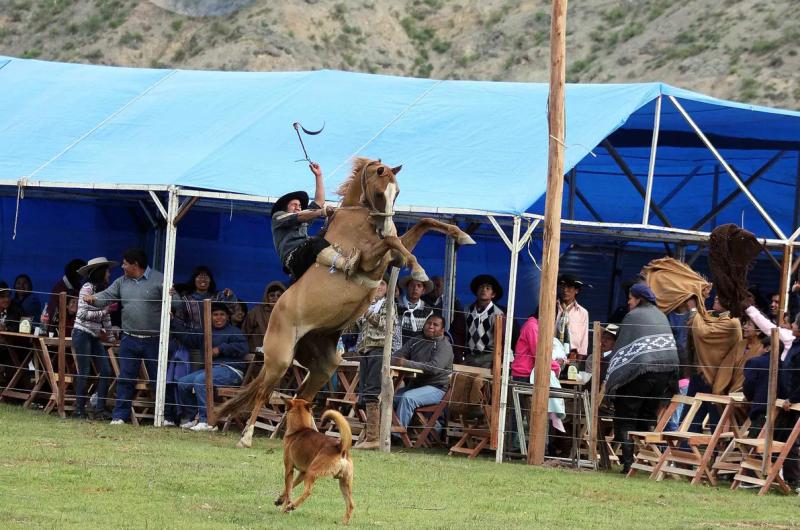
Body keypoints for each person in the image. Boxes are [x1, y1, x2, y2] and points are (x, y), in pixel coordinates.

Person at [83, 248, 164, 425]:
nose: (122, 266)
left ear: (135, 265)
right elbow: (107, 295)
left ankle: (165, 415)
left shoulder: (160, 279)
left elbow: (177, 303)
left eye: (125, 263)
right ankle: (119, 416)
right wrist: (93, 298)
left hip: (155, 340)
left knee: (158, 379)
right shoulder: (121, 282)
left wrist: (173, 296)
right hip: (129, 338)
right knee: (125, 378)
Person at [605, 283, 679, 473]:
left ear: (639, 298)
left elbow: (621, 348)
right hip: (664, 374)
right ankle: (644, 462)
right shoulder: (662, 315)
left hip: (639, 373)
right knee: (647, 416)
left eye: (630, 298)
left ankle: (629, 464)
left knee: (626, 415)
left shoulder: (633, 316)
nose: (628, 302)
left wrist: (612, 377)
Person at [270, 162, 358, 281]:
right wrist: (322, 212)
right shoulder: (278, 217)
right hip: (294, 258)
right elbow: (301, 215)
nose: (298, 207)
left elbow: (319, 202)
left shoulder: (303, 218)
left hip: (306, 253)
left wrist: (319, 176)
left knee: (327, 231)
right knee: (315, 242)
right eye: (294, 205)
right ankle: (345, 264)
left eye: (300, 205)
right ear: (285, 207)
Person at [173, 302, 248, 431]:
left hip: (231, 370)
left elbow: (243, 348)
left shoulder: (234, 331)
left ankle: (206, 421)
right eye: (215, 315)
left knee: (201, 380)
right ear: (209, 317)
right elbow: (187, 338)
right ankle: (191, 418)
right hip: (211, 370)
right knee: (183, 383)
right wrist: (173, 321)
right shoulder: (206, 331)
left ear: (228, 317)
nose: (219, 318)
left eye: (222, 315)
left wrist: (221, 349)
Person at [353, 279, 401, 450]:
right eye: (377, 283)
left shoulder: (389, 305)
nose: (379, 287)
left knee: (373, 391)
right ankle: (370, 434)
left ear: (388, 287)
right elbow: (357, 327)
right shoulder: (369, 304)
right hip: (365, 350)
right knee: (365, 391)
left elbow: (384, 324)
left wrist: (365, 312)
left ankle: (374, 437)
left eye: (383, 284)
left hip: (380, 351)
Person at [72, 257, 117, 420]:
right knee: (84, 372)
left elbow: (106, 318)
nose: (109, 274)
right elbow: (82, 313)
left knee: (106, 370)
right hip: (82, 333)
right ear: (100, 272)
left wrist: (111, 336)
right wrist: (104, 312)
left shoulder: (104, 291)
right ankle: (79, 410)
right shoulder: (87, 288)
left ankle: (100, 410)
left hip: (94, 335)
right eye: (107, 271)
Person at [392, 314, 453, 430]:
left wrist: (406, 363)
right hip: (415, 386)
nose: (431, 326)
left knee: (407, 398)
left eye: (435, 325)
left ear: (442, 330)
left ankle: (397, 435)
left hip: (437, 388)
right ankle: (383, 432)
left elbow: (434, 368)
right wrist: (397, 360)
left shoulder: (444, 346)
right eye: (429, 323)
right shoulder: (416, 340)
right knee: (390, 397)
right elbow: (397, 356)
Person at [461, 274, 505, 369]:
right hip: (469, 357)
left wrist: (496, 363)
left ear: (493, 294)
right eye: (481, 287)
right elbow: (459, 333)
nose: (484, 289)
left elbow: (502, 340)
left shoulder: (498, 314)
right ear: (476, 291)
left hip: (488, 359)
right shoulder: (466, 309)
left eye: (488, 288)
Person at [242, 281, 286, 352]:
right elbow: (243, 334)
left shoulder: (287, 314)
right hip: (257, 356)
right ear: (266, 297)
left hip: (279, 355)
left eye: (279, 296)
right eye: (272, 295)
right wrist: (246, 353)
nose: (275, 298)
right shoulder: (256, 311)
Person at [555, 273, 589, 362]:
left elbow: (584, 339)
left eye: (569, 287)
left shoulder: (582, 313)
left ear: (576, 290)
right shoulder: (553, 307)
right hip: (553, 353)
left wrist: (578, 361)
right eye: (563, 286)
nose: (565, 290)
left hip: (572, 356)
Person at [44, 258, 86, 328]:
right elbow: (54, 315)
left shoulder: (78, 286)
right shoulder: (59, 289)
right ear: (76, 274)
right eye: (83, 274)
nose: (84, 277)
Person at [397, 276, 434, 341]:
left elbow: (428, 334)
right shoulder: (395, 304)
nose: (415, 288)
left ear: (423, 291)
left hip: (418, 349)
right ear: (406, 288)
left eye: (419, 286)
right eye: (412, 285)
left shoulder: (428, 310)